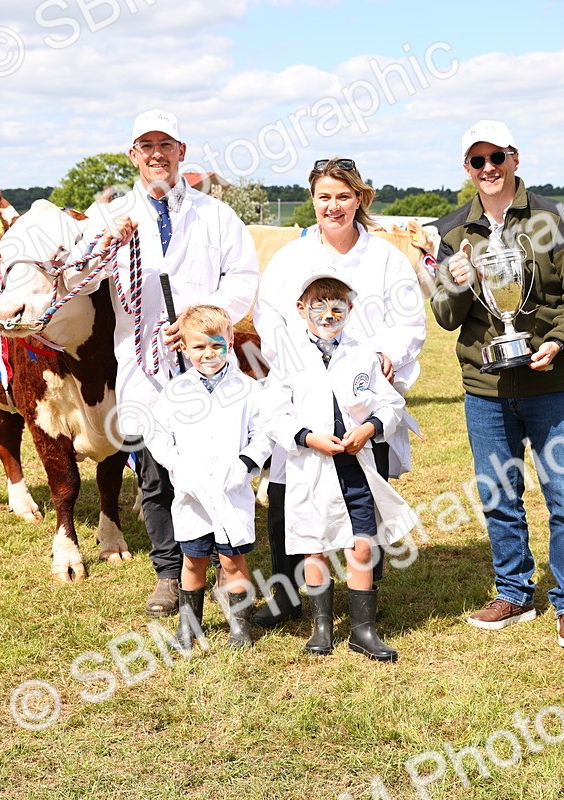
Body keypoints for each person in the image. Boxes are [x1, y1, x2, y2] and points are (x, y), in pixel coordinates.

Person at [430, 120, 564, 649]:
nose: (489, 169)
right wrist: (457, 284)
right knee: (498, 495)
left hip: (552, 382)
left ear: (515, 158)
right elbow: (444, 314)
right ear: (466, 168)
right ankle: (513, 592)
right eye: (477, 161)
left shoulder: (555, 219)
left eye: (497, 158)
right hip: (486, 386)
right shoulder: (453, 231)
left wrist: (559, 341)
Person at [81, 109, 260, 617]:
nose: (157, 154)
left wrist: (206, 319)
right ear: (132, 155)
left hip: (208, 362)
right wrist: (102, 248)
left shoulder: (215, 214)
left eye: (166, 144)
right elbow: (77, 283)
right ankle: (168, 573)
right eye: (146, 146)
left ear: (182, 152)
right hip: (144, 366)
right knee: (158, 470)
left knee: (221, 462)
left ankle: (228, 564)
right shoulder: (108, 216)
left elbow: (243, 276)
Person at [251, 157, 425, 628]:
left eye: (343, 196)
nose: (334, 205)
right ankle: (288, 596)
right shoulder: (291, 258)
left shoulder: (386, 258)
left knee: (363, 494)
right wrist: (292, 358)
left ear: (360, 199)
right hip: (305, 392)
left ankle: (364, 599)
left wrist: (386, 353)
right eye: (324, 196)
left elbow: (411, 322)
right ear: (313, 201)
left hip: (362, 394)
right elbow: (269, 319)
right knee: (292, 499)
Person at [266, 271, 416, 662]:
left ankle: (363, 630)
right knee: (313, 547)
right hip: (311, 468)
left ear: (350, 310)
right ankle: (321, 628)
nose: (328, 315)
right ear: (301, 309)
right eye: (319, 306)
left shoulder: (362, 354)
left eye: (338, 307)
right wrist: (307, 438)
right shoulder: (288, 358)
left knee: (362, 546)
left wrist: (369, 428)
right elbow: (273, 414)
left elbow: (391, 405)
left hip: (354, 467)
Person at [145, 305, 273, 650]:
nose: (208, 353)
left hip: (232, 492)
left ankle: (241, 628)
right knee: (193, 559)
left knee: (233, 560)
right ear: (184, 348)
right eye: (199, 347)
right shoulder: (175, 392)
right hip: (192, 494)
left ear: (231, 342)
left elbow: (263, 433)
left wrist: (246, 463)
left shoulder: (248, 389)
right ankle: (189, 628)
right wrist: (178, 467)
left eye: (216, 345)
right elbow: (156, 435)